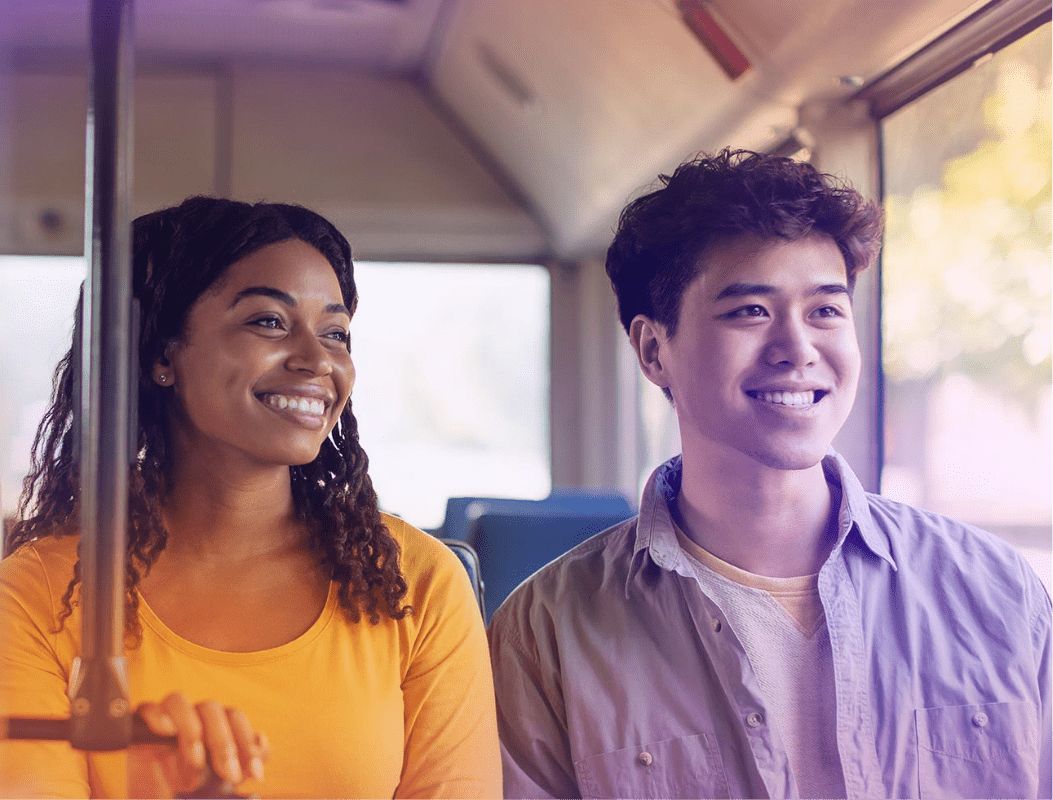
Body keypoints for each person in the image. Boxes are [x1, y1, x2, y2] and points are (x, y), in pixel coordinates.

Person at [488, 149, 1052, 799]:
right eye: (750, 311)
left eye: (824, 311)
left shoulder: (993, 591)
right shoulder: (548, 630)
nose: (797, 348)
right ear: (652, 349)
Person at [0, 197, 502, 798]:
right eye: (268, 321)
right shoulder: (38, 596)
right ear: (164, 354)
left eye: (336, 333)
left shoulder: (417, 584)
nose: (318, 361)